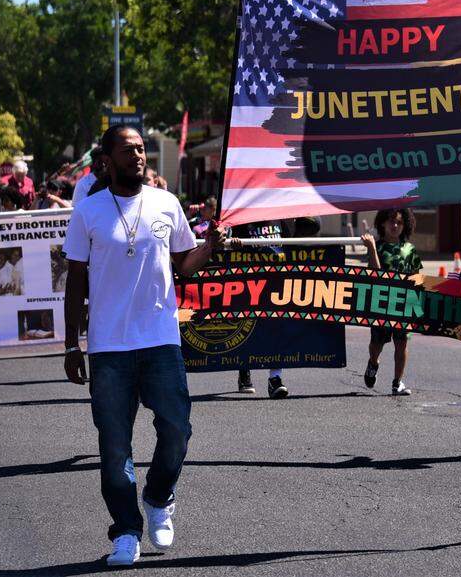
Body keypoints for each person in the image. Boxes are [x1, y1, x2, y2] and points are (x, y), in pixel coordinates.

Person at [62, 124, 223, 566]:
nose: (139, 156)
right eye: (129, 150)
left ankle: (157, 496)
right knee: (115, 448)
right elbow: (75, 283)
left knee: (177, 429)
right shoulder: (88, 212)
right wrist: (72, 345)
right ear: (107, 161)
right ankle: (126, 532)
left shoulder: (166, 203)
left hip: (160, 339)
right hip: (108, 347)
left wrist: (208, 248)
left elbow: (183, 265)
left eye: (141, 149)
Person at [229, 216, 321, 397]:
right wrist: (235, 244)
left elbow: (290, 245)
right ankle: (244, 369)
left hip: (276, 282)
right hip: (250, 281)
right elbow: (233, 248)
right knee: (249, 327)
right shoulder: (243, 219)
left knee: (277, 328)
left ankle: (275, 378)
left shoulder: (280, 218)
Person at [361, 208, 422, 395]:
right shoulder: (377, 247)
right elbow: (376, 275)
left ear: (405, 225)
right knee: (376, 345)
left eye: (399, 222)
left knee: (401, 342)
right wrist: (371, 248)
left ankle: (397, 382)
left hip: (403, 302)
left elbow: (417, 277)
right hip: (380, 302)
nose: (395, 226)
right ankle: (373, 363)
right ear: (382, 224)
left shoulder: (409, 249)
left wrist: (417, 307)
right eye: (391, 222)